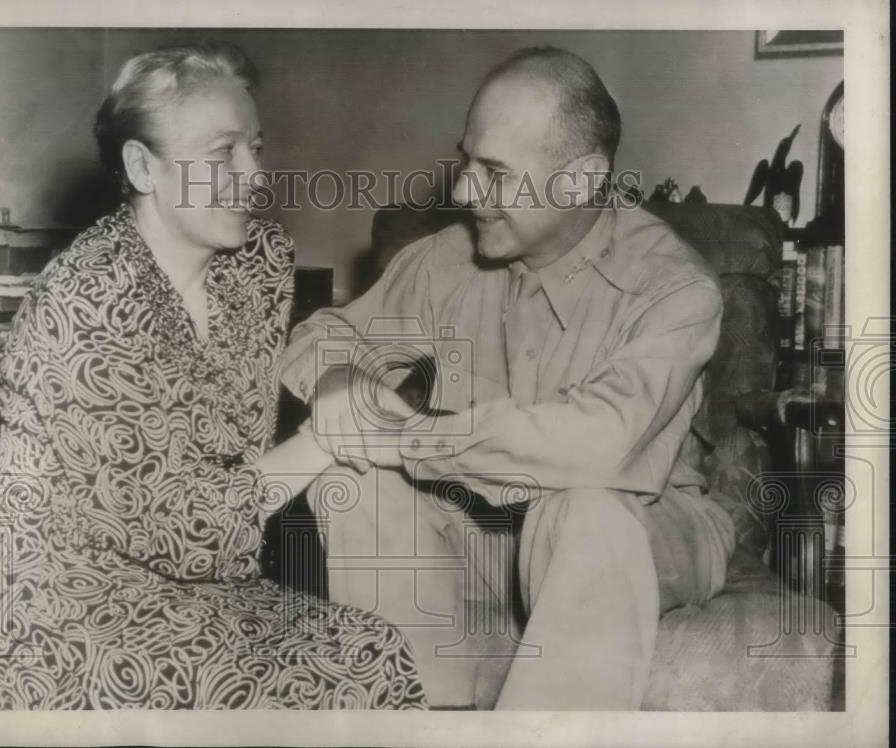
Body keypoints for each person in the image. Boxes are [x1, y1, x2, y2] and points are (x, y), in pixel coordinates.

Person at [0, 44, 427, 710]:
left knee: (376, 649)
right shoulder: (83, 304)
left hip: (194, 577)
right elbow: (187, 531)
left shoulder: (257, 258)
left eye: (255, 148)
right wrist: (329, 438)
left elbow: (260, 409)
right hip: (47, 600)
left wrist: (342, 381)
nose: (255, 176)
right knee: (322, 677)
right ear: (143, 167)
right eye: (222, 153)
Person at [279, 46, 736, 709]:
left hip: (644, 527)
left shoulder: (674, 290)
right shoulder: (447, 260)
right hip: (479, 527)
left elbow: (599, 448)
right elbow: (324, 336)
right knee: (356, 478)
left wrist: (411, 440)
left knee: (587, 513)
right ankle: (422, 714)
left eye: (494, 173)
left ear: (581, 179)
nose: (464, 190)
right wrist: (340, 383)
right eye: (467, 160)